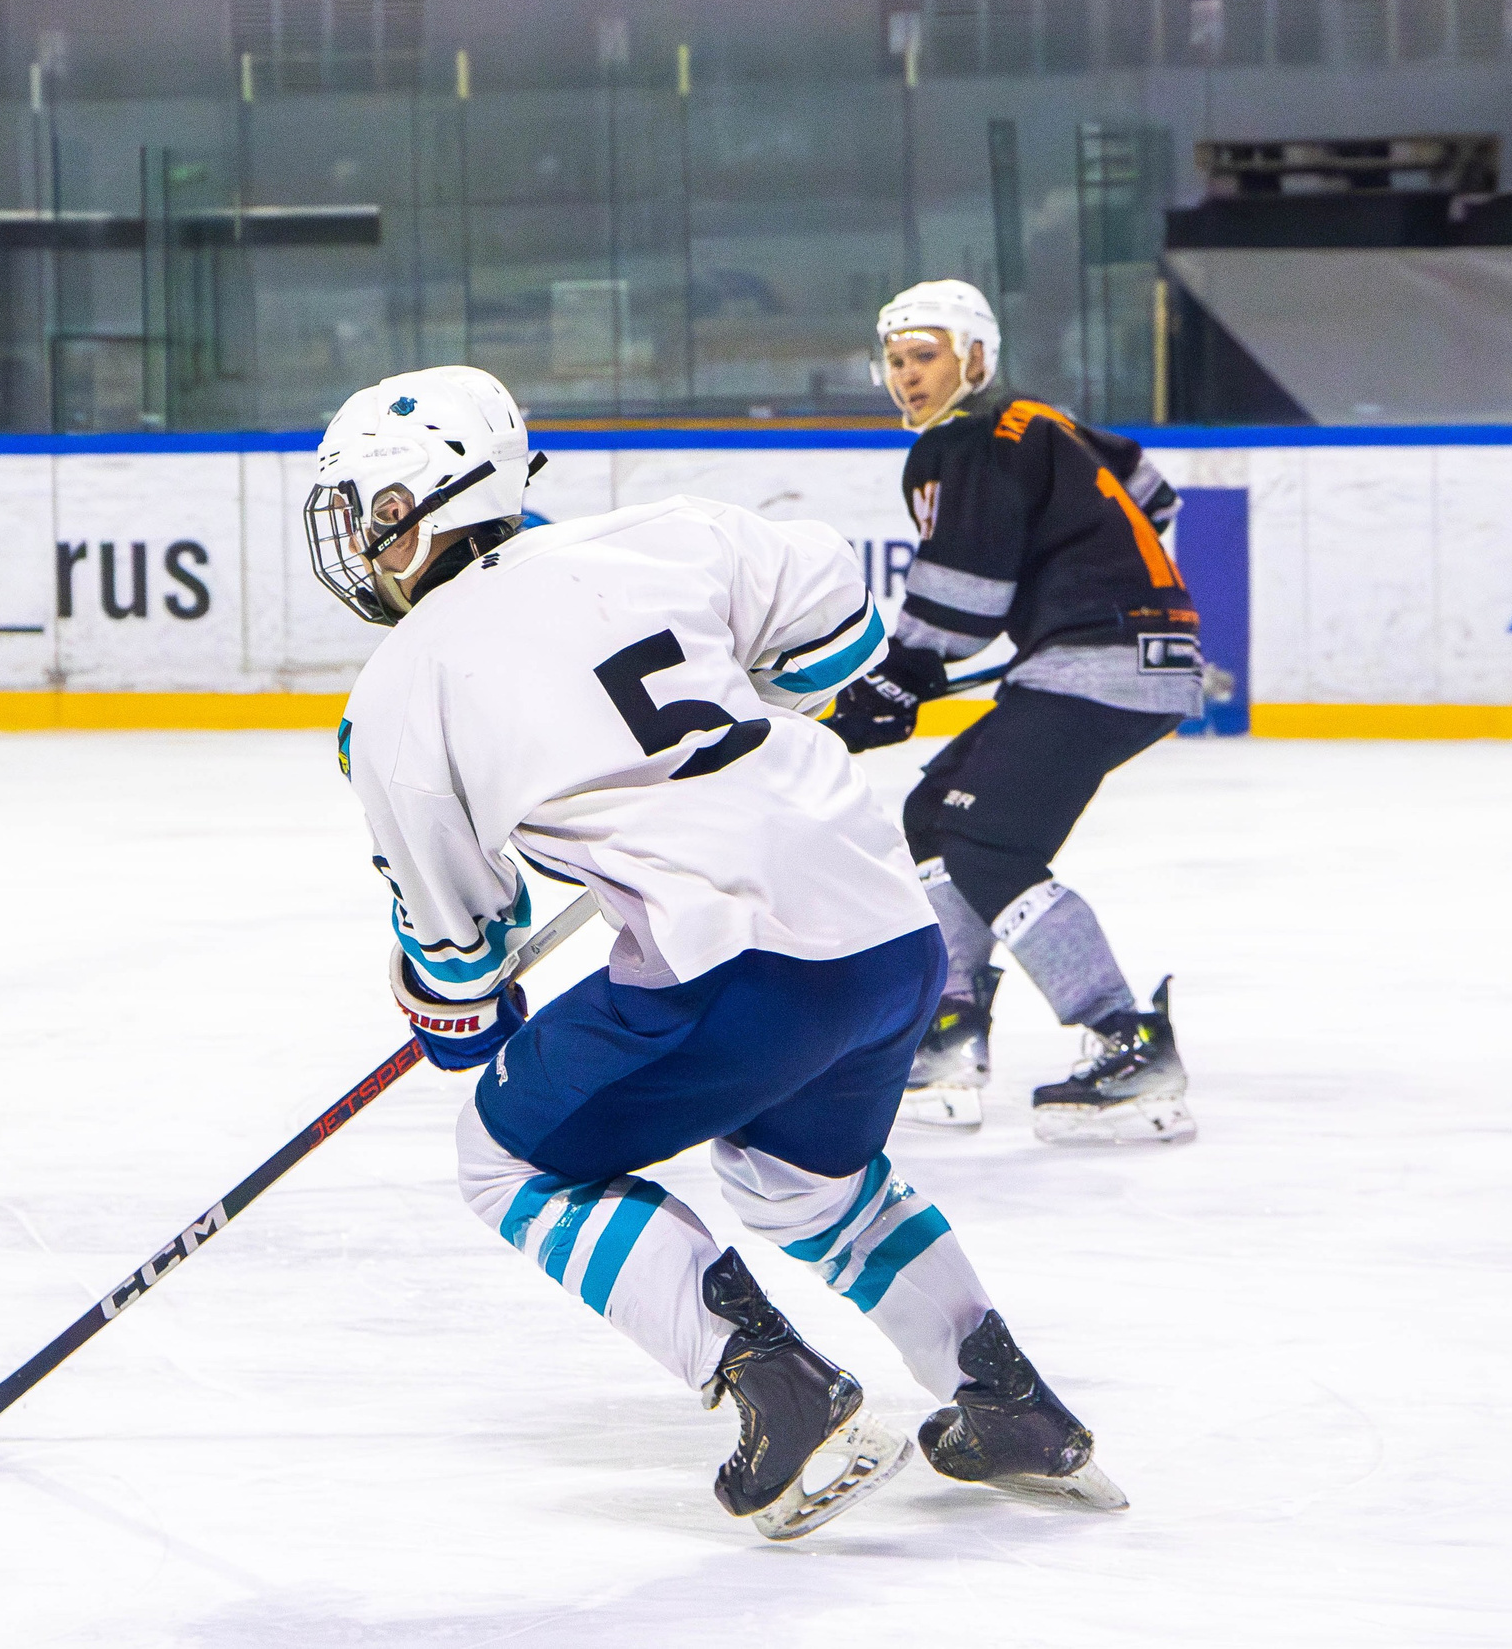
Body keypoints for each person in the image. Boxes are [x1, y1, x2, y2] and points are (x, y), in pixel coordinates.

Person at [312, 364, 1123, 1540]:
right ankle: (1005, 1404)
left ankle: (780, 1392)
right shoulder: (665, 534)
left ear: (418, 508)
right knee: (799, 1186)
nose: (352, 545)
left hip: (736, 971)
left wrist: (458, 1015)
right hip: (889, 940)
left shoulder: (395, 697)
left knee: (505, 1155)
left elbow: (458, 958)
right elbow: (833, 620)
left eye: (363, 515)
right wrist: (763, 688)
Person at [825, 280, 1198, 1146]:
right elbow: (1152, 492)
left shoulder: (970, 441)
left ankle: (1126, 1039)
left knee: (990, 839)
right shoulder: (1047, 423)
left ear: (976, 357)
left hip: (1099, 659)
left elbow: (964, 592)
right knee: (935, 812)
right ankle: (952, 1026)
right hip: (1130, 650)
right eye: (896, 360)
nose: (907, 376)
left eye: (926, 356)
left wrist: (902, 672)